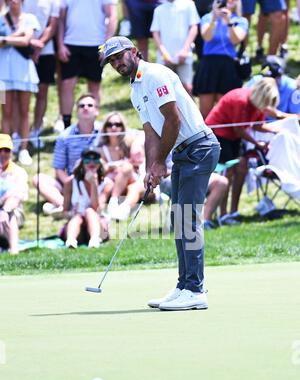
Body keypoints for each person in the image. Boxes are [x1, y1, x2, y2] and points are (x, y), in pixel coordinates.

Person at [100, 36, 220, 311]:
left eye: (120, 56)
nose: (117, 63)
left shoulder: (155, 74)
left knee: (187, 219)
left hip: (199, 147)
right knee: (178, 220)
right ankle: (184, 286)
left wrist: (160, 161)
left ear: (134, 51)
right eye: (112, 61)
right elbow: (151, 132)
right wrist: (150, 167)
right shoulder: (134, 89)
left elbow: (173, 118)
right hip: (182, 152)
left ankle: (195, 289)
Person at [205, 77, 280, 222]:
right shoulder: (241, 100)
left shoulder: (257, 104)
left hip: (233, 137)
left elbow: (258, 125)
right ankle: (223, 214)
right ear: (262, 95)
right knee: (228, 172)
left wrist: (277, 129)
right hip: (218, 135)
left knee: (242, 168)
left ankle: (234, 211)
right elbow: (239, 129)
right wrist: (257, 143)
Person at [32, 93, 101, 217]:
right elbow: (59, 168)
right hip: (73, 181)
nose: (85, 108)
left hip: (98, 181)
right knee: (38, 179)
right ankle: (66, 206)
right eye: (81, 106)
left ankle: (67, 207)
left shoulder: (105, 131)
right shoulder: (65, 136)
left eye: (90, 105)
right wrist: (70, 183)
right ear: (77, 112)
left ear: (97, 111)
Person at [57, 0, 117, 129]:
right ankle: (66, 125)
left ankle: (92, 125)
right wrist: (60, 44)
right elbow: (61, 19)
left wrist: (107, 46)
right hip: (70, 43)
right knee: (67, 84)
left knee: (94, 85)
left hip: (96, 43)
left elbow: (112, 15)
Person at [193, 0, 249, 118]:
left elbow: (236, 40)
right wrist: (214, 18)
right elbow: (206, 37)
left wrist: (228, 22)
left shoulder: (240, 20)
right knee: (205, 111)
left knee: (226, 110)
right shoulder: (208, 18)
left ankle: (222, 135)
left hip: (228, 66)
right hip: (209, 65)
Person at [0, 0, 40, 166]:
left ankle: (23, 148)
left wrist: (5, 39)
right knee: (5, 112)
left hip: (24, 71)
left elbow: (26, 41)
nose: (14, 2)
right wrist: (18, 35)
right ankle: (5, 150)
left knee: (25, 110)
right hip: (2, 73)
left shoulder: (30, 18)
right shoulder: (1, 18)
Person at [23, 0, 60, 147]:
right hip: (20, 50)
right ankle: (18, 132)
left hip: (46, 51)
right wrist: (28, 43)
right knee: (18, 96)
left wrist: (38, 46)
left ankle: (36, 130)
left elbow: (52, 25)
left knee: (42, 92)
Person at [99, 112, 145, 221]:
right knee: (108, 185)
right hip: (112, 183)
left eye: (117, 124)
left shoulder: (130, 142)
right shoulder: (102, 149)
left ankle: (119, 207)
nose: (113, 127)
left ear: (122, 127)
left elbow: (144, 134)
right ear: (105, 128)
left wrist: (135, 145)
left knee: (127, 169)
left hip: (132, 180)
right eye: (109, 125)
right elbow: (102, 169)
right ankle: (100, 212)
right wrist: (115, 166)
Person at [150, 0, 200, 95]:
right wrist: (164, 54)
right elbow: (155, 33)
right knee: (166, 91)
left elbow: (194, 28)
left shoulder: (189, 4)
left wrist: (185, 50)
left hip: (184, 56)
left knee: (187, 88)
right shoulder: (159, 10)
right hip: (165, 59)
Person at [63, 147, 108, 248]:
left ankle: (94, 240)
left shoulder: (106, 184)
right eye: (87, 160)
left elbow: (96, 207)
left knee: (90, 211)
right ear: (82, 163)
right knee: (78, 217)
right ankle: (71, 241)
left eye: (95, 160)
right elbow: (65, 211)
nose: (91, 163)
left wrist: (94, 184)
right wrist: (72, 213)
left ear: (100, 162)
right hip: (77, 227)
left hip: (98, 225)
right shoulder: (70, 182)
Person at [0, 133, 28, 254]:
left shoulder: (19, 172)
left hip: (13, 211)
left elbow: (19, 195)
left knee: (10, 212)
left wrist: (4, 210)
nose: (3, 154)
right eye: (0, 150)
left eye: (6, 150)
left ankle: (14, 250)